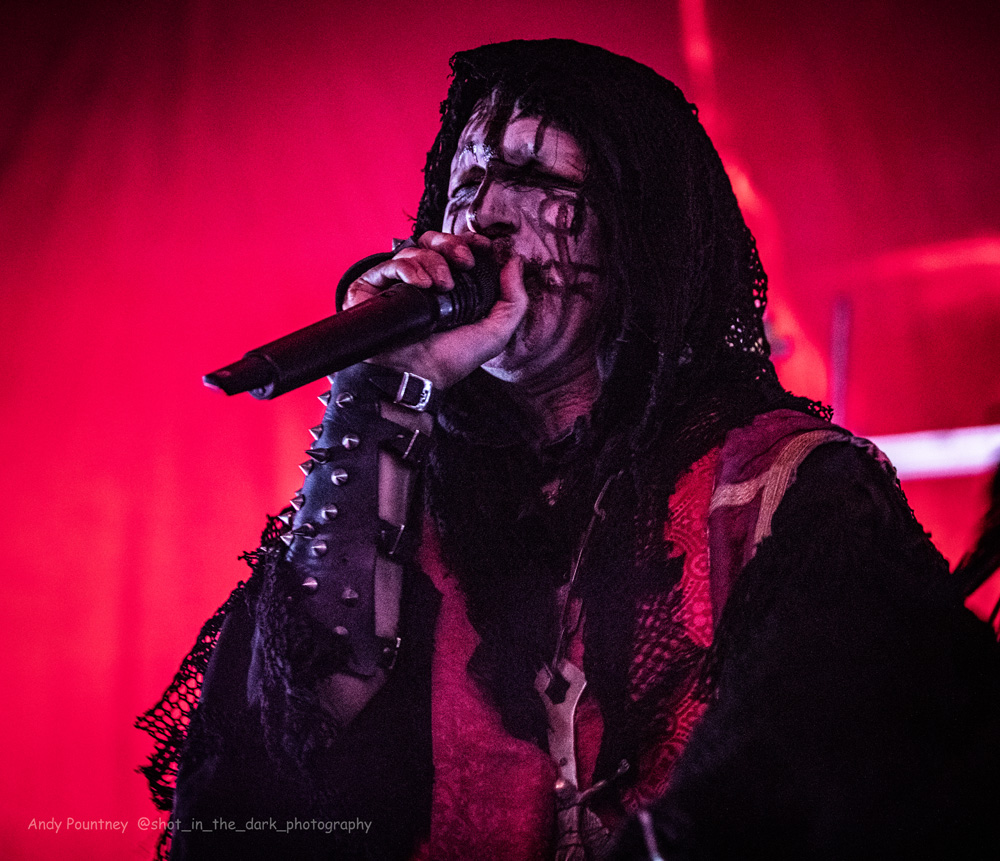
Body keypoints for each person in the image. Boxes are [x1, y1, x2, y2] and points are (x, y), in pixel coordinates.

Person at [139, 39, 1000, 860]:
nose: (480, 216)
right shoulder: (414, 495)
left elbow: (875, 761)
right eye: (466, 181)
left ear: (637, 234)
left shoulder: (782, 487)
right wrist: (383, 384)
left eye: (533, 178)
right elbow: (290, 737)